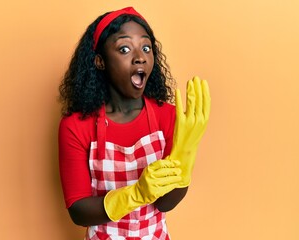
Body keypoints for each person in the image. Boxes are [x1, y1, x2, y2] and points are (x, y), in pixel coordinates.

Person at [58, 6, 211, 240]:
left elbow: (165, 204)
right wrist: (135, 194)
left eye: (146, 47)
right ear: (100, 61)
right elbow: (78, 212)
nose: (140, 56)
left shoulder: (168, 116)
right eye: (125, 48)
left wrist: (185, 157)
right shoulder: (76, 126)